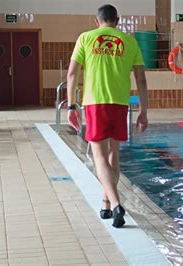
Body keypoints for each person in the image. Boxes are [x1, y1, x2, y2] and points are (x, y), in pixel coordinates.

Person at [67, 4, 149, 228]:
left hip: (95, 103)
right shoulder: (130, 41)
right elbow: (141, 80)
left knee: (99, 157)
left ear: (97, 21)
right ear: (118, 20)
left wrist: (71, 106)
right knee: (114, 154)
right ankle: (105, 203)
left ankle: (115, 204)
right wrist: (143, 110)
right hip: (120, 104)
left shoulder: (86, 37)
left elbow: (72, 72)